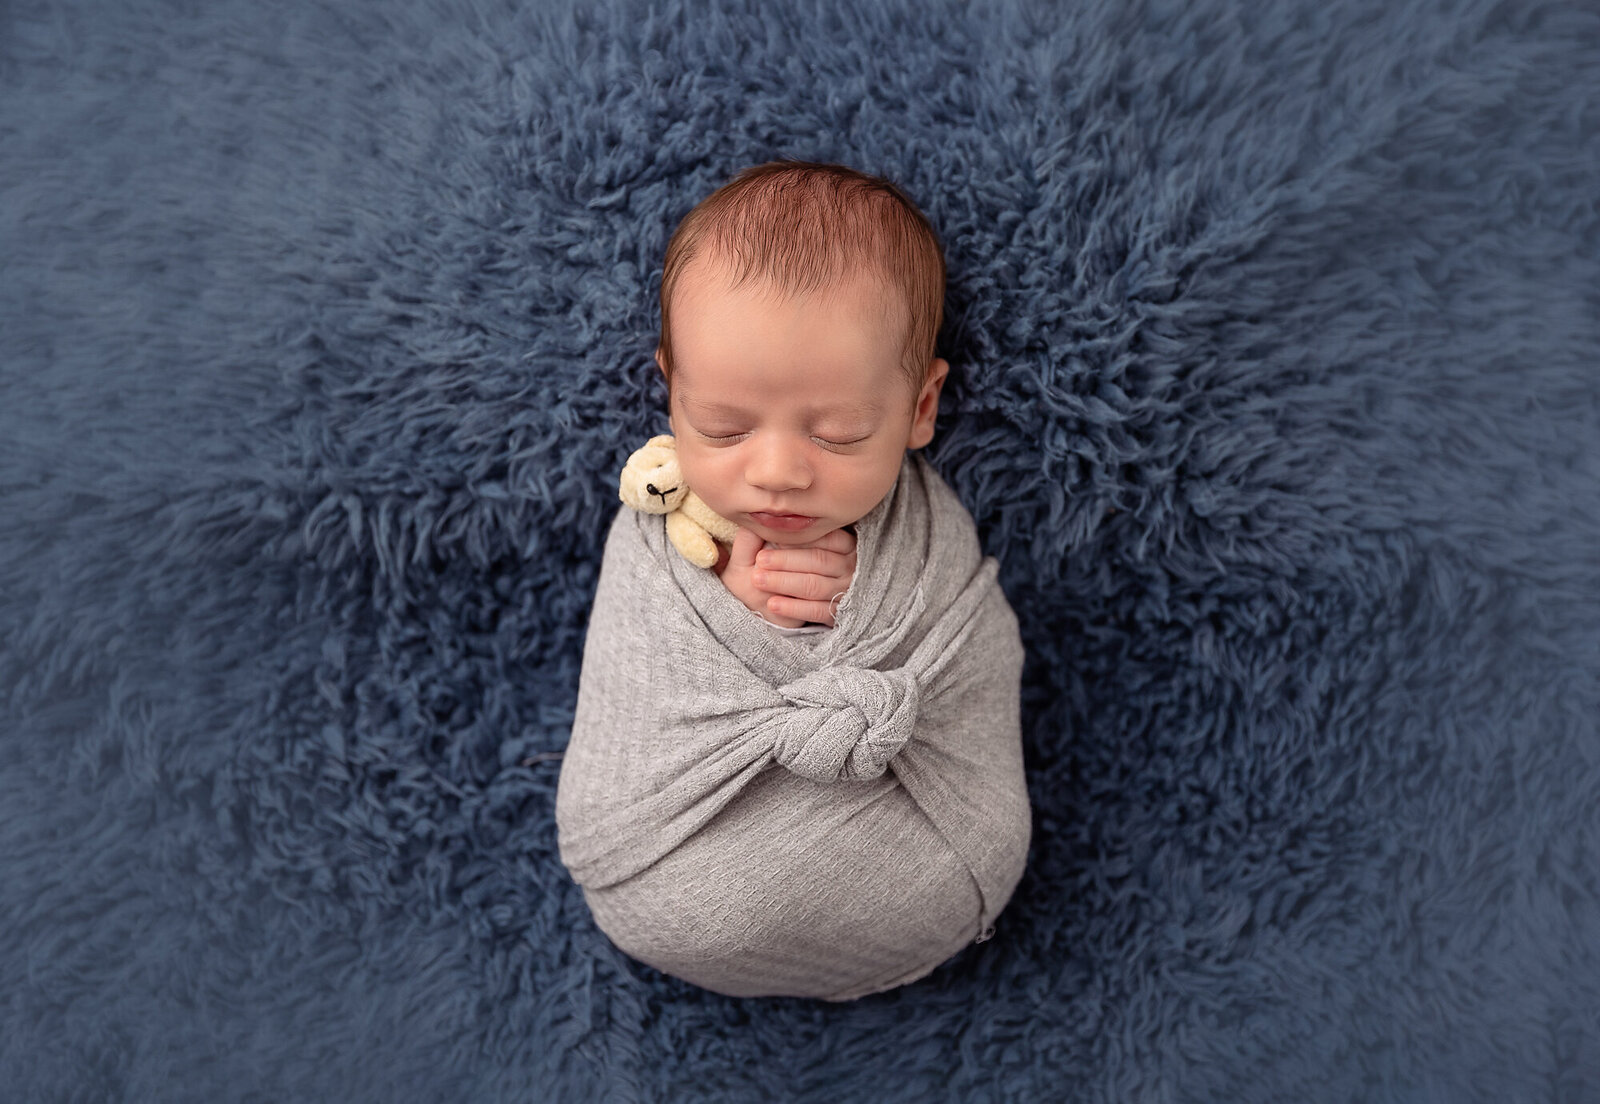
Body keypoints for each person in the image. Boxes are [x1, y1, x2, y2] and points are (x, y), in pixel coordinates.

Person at [653, 159, 950, 630]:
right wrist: (734, 614)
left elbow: (963, 651)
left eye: (839, 434)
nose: (776, 475)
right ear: (673, 396)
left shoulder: (935, 544)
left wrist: (871, 603)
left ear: (922, 407)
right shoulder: (654, 539)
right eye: (722, 429)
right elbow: (639, 672)